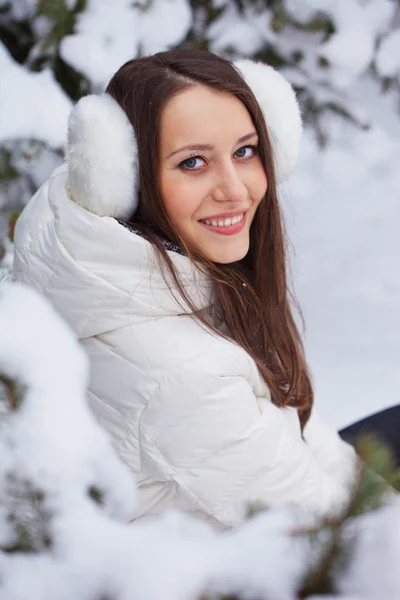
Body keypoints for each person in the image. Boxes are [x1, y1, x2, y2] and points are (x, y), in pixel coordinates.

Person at [13, 48, 360, 530]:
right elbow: (334, 534)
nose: (234, 189)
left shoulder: (82, 239)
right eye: (193, 162)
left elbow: (298, 432)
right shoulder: (178, 378)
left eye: (245, 151)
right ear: (125, 178)